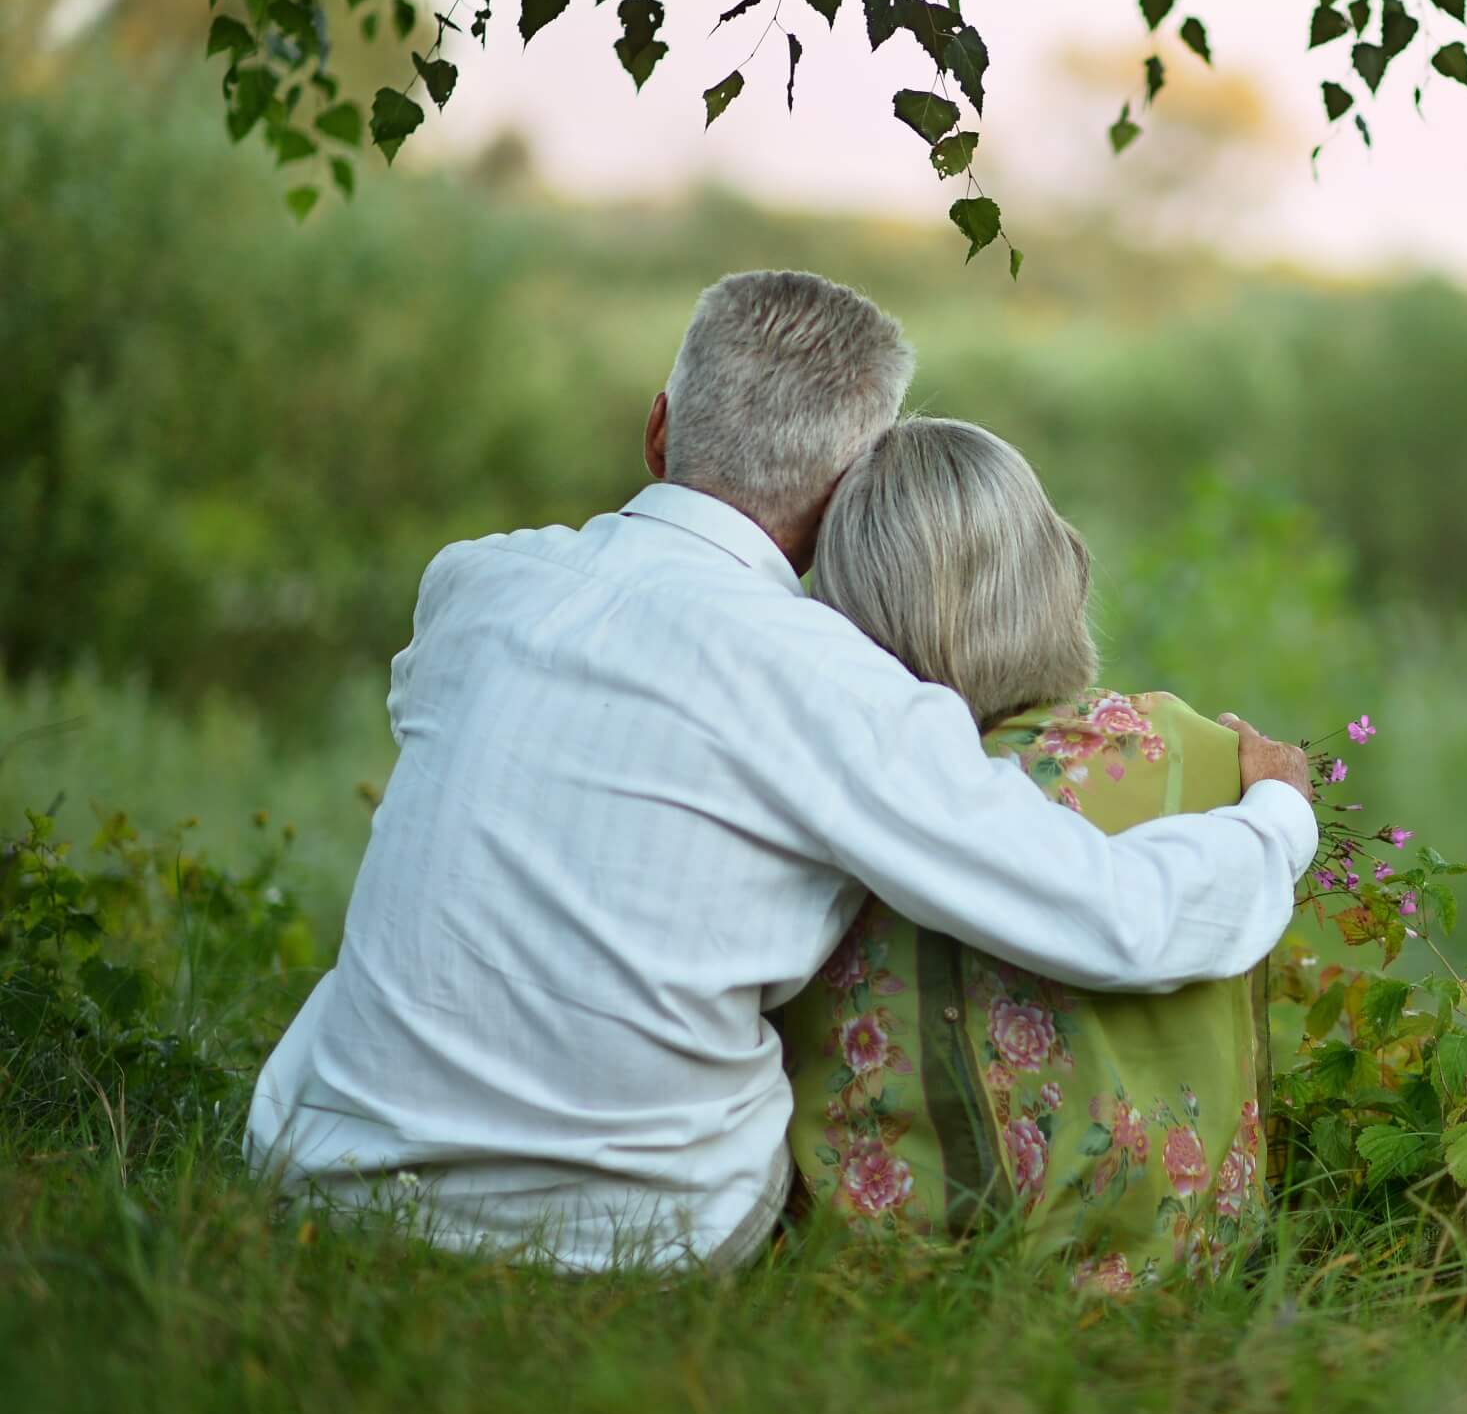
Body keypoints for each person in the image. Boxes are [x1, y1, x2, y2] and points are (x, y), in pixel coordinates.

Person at [245, 271, 1317, 1271]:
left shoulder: (473, 584)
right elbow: (1110, 920)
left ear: (658, 428)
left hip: (321, 1179)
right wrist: (1273, 809)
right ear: (851, 491)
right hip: (633, 1234)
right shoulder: (836, 687)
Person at [778, 419, 1280, 1290]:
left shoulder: (815, 783)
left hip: (876, 1282)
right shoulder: (1195, 754)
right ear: (1059, 570)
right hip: (1192, 1273)